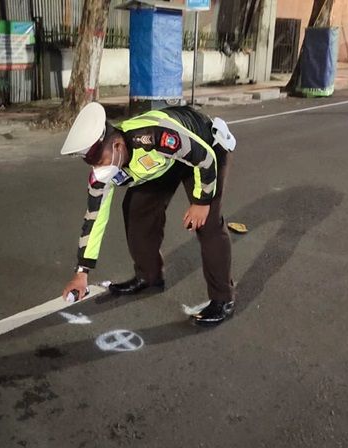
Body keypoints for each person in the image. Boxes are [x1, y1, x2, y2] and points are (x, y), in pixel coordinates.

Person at [60, 103, 238, 326]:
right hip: (164, 162)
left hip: (204, 148)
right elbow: (93, 218)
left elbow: (205, 158)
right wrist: (81, 272)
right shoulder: (102, 171)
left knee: (207, 223)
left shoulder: (153, 136)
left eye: (103, 162)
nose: (102, 170)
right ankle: (149, 276)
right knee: (136, 209)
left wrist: (201, 202)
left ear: (117, 145)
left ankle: (223, 299)